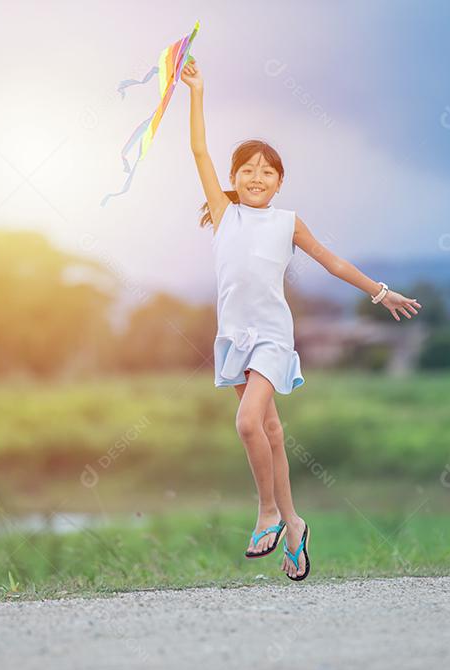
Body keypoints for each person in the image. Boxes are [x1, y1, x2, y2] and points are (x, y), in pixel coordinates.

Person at [180, 58, 421, 581]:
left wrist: (380, 292)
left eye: (267, 171)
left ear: (280, 182)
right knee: (270, 431)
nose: (256, 177)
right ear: (233, 178)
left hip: (271, 336)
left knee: (248, 423)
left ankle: (267, 512)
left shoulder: (287, 222)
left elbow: (333, 263)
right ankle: (294, 528)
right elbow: (198, 149)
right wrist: (196, 90)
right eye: (247, 170)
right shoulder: (224, 214)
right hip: (233, 338)